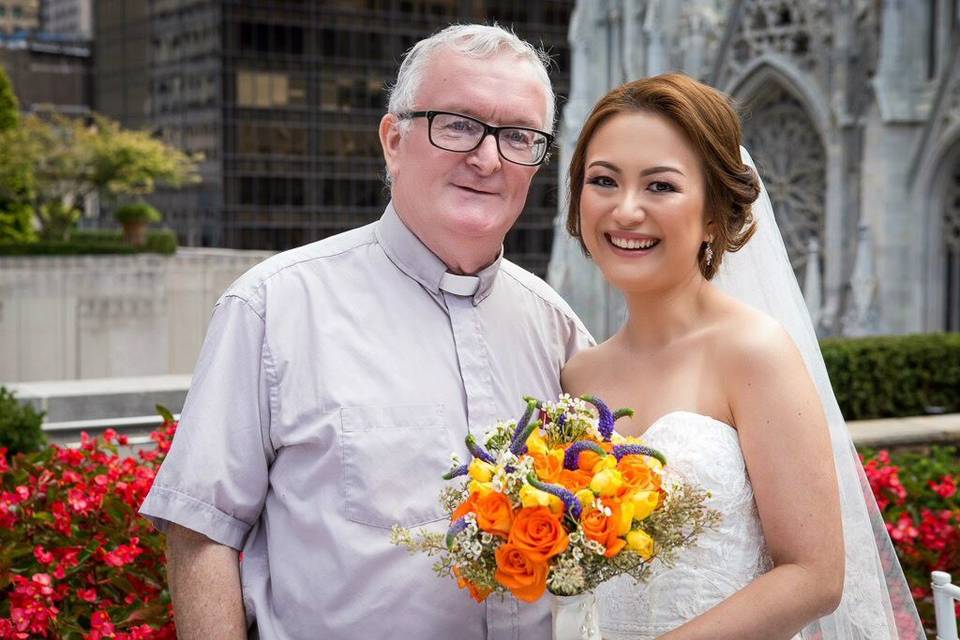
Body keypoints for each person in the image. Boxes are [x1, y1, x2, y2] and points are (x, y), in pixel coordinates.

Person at [139, 24, 592, 639]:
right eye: (457, 124)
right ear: (394, 139)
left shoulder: (558, 329)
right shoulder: (274, 307)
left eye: (518, 136)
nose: (487, 159)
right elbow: (201, 531)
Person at [561, 74, 923, 639]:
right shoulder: (578, 374)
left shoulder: (753, 352)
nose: (625, 209)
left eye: (660, 186)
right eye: (603, 180)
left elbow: (815, 575)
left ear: (713, 214)